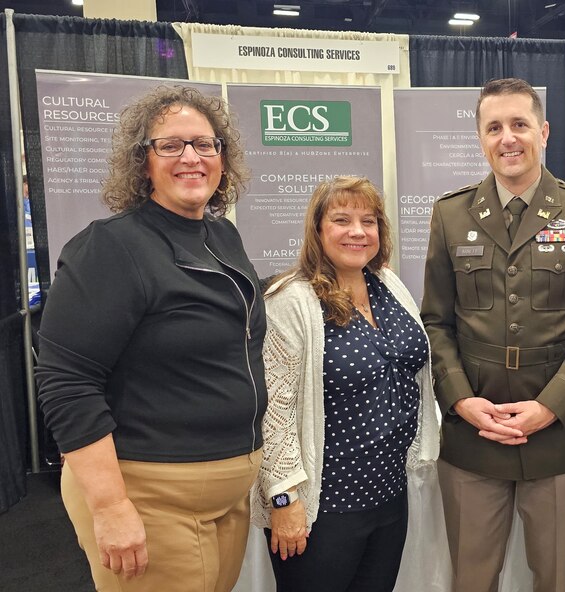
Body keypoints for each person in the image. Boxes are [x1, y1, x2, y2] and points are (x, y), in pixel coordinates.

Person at [36, 86, 264, 591]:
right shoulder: (111, 247)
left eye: (205, 145)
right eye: (171, 145)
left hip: (228, 491)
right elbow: (66, 381)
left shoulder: (221, 235)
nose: (191, 158)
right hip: (150, 493)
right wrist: (112, 506)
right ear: (143, 162)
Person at [421, 77, 565, 592]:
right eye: (494, 127)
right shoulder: (450, 214)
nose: (507, 138)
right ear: (481, 138)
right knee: (472, 577)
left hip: (557, 436)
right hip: (473, 434)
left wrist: (550, 406)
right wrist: (461, 402)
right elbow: (436, 323)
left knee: (555, 578)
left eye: (519, 125)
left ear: (544, 131)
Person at [251, 176, 439, 591]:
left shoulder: (388, 285)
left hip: (389, 495)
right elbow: (273, 413)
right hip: (323, 507)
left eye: (368, 221)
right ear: (318, 231)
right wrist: (284, 498)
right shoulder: (289, 301)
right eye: (342, 220)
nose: (358, 231)